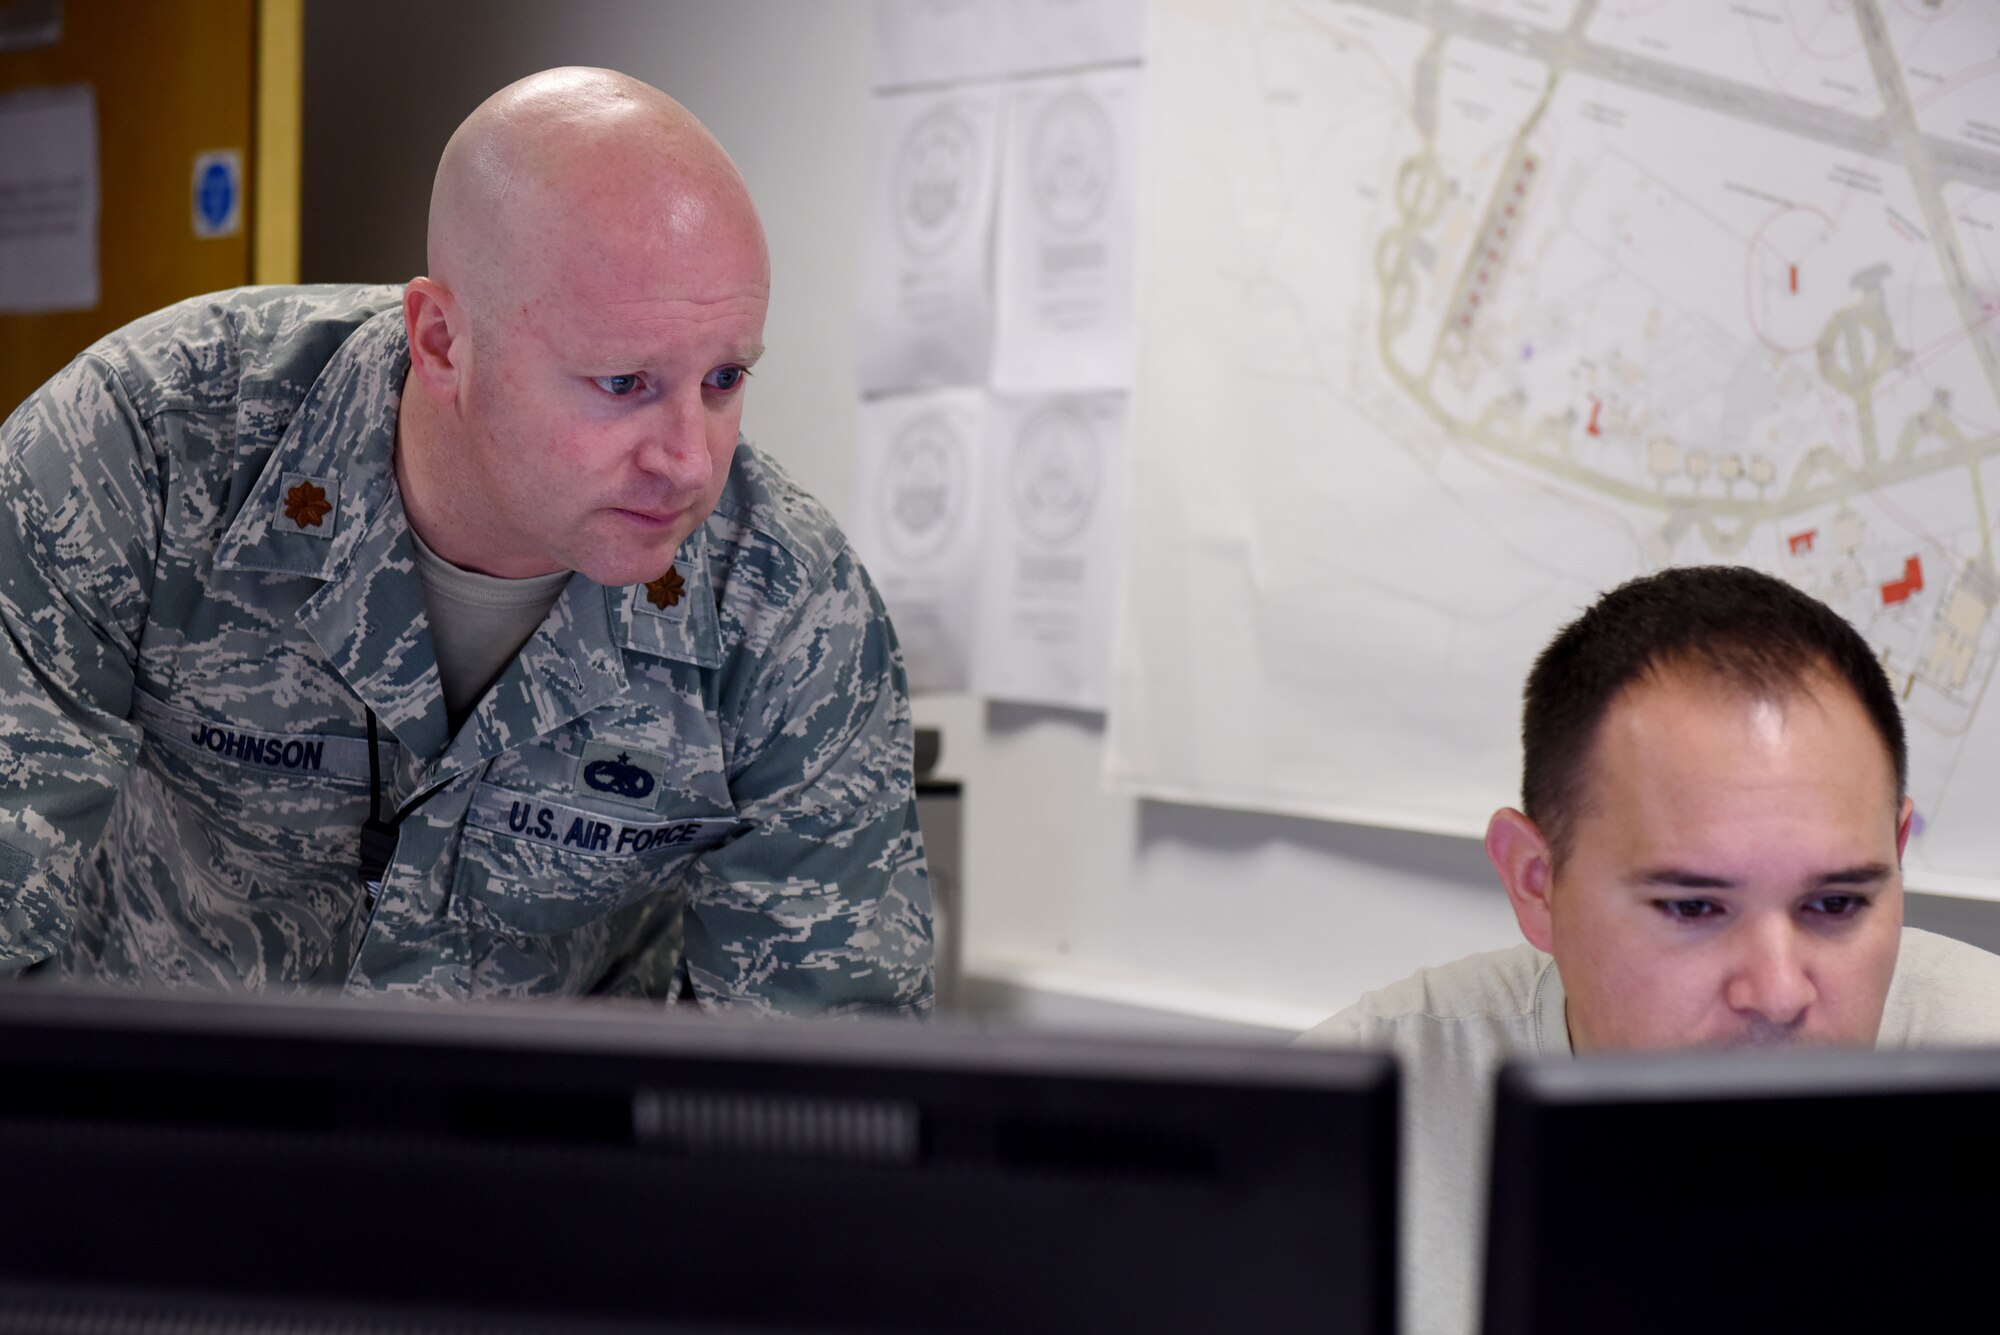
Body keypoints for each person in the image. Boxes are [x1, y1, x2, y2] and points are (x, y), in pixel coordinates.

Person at [0, 68, 932, 1013]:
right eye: (623, 383)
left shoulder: (787, 606)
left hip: (542, 1149)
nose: (691, 460)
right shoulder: (144, 451)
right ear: (441, 340)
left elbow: (816, 1081)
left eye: (725, 378)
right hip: (151, 1124)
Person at [1302, 564, 2000, 1335]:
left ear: (1898, 855)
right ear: (1538, 883)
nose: (1777, 991)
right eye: (1694, 906)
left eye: (1835, 903)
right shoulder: (1338, 1136)